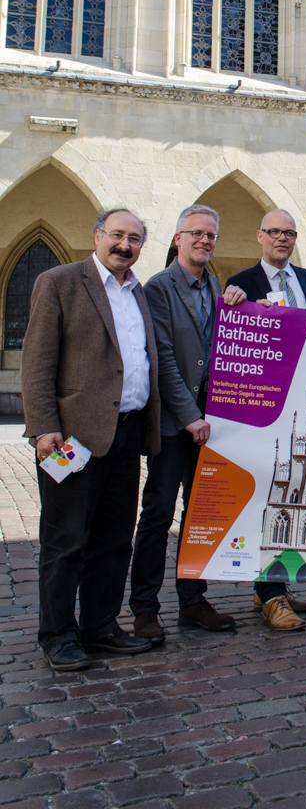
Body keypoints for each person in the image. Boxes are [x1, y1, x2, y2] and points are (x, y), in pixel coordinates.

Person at [22, 209, 161, 671]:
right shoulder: (60, 281)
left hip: (126, 433)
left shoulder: (136, 292)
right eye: (117, 235)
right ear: (97, 235)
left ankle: (100, 626)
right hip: (73, 438)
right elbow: (37, 362)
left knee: (114, 539)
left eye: (135, 238)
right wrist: (43, 427)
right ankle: (58, 635)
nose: (125, 244)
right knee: (65, 541)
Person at [129, 205, 247, 643]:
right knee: (157, 514)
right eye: (196, 233)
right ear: (178, 238)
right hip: (172, 423)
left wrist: (233, 306)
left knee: (200, 515)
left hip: (208, 423)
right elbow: (162, 360)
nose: (204, 240)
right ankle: (144, 609)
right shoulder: (158, 288)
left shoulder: (214, 285)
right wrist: (189, 416)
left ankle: (193, 600)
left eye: (211, 235)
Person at [226, 208, 306, 631]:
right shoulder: (240, 284)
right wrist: (240, 307)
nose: (281, 239)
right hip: (263, 408)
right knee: (264, 499)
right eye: (274, 232)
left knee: (293, 497)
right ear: (259, 236)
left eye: (288, 233)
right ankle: (270, 598)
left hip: (304, 404)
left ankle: (275, 585)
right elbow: (230, 336)